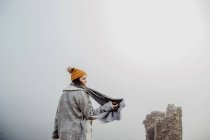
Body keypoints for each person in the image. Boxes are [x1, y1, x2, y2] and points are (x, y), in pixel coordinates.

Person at [52, 67, 118, 140]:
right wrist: (108, 106)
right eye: (83, 79)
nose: (86, 81)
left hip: (64, 134)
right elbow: (90, 114)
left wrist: (56, 134)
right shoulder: (81, 94)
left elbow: (58, 115)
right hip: (78, 135)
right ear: (77, 80)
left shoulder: (64, 94)